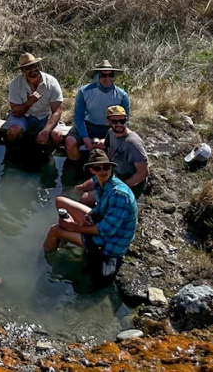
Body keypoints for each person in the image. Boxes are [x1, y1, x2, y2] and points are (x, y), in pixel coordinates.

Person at [44, 149, 137, 282]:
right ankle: (65, 240)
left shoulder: (119, 195)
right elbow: (101, 206)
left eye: (106, 167)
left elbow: (105, 230)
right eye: (97, 168)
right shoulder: (101, 182)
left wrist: (75, 227)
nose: (103, 171)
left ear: (111, 167)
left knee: (55, 230)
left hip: (110, 243)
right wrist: (91, 215)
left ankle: (47, 260)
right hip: (103, 223)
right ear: (92, 171)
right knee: (61, 201)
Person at [65, 60, 131, 162]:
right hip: (88, 125)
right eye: (103, 75)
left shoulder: (122, 96)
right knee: (70, 142)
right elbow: (78, 117)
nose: (107, 78)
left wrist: (107, 139)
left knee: (114, 149)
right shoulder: (84, 92)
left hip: (111, 129)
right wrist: (85, 137)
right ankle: (75, 167)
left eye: (110, 75)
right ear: (97, 76)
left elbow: (124, 122)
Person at [5, 53, 64, 150]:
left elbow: (57, 112)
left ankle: (47, 156)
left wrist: (45, 131)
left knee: (56, 135)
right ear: (22, 70)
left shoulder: (52, 82)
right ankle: (13, 153)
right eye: (28, 68)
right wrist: (29, 102)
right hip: (24, 116)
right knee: (13, 131)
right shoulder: (15, 84)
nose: (33, 69)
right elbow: (15, 111)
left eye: (35, 65)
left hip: (45, 116)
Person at [97, 105, 149, 198]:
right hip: (114, 175)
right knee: (81, 188)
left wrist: (122, 187)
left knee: (87, 198)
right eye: (114, 121)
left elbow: (143, 172)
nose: (119, 124)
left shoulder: (133, 143)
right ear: (108, 121)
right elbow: (107, 148)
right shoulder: (111, 133)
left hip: (127, 184)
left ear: (126, 120)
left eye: (122, 121)